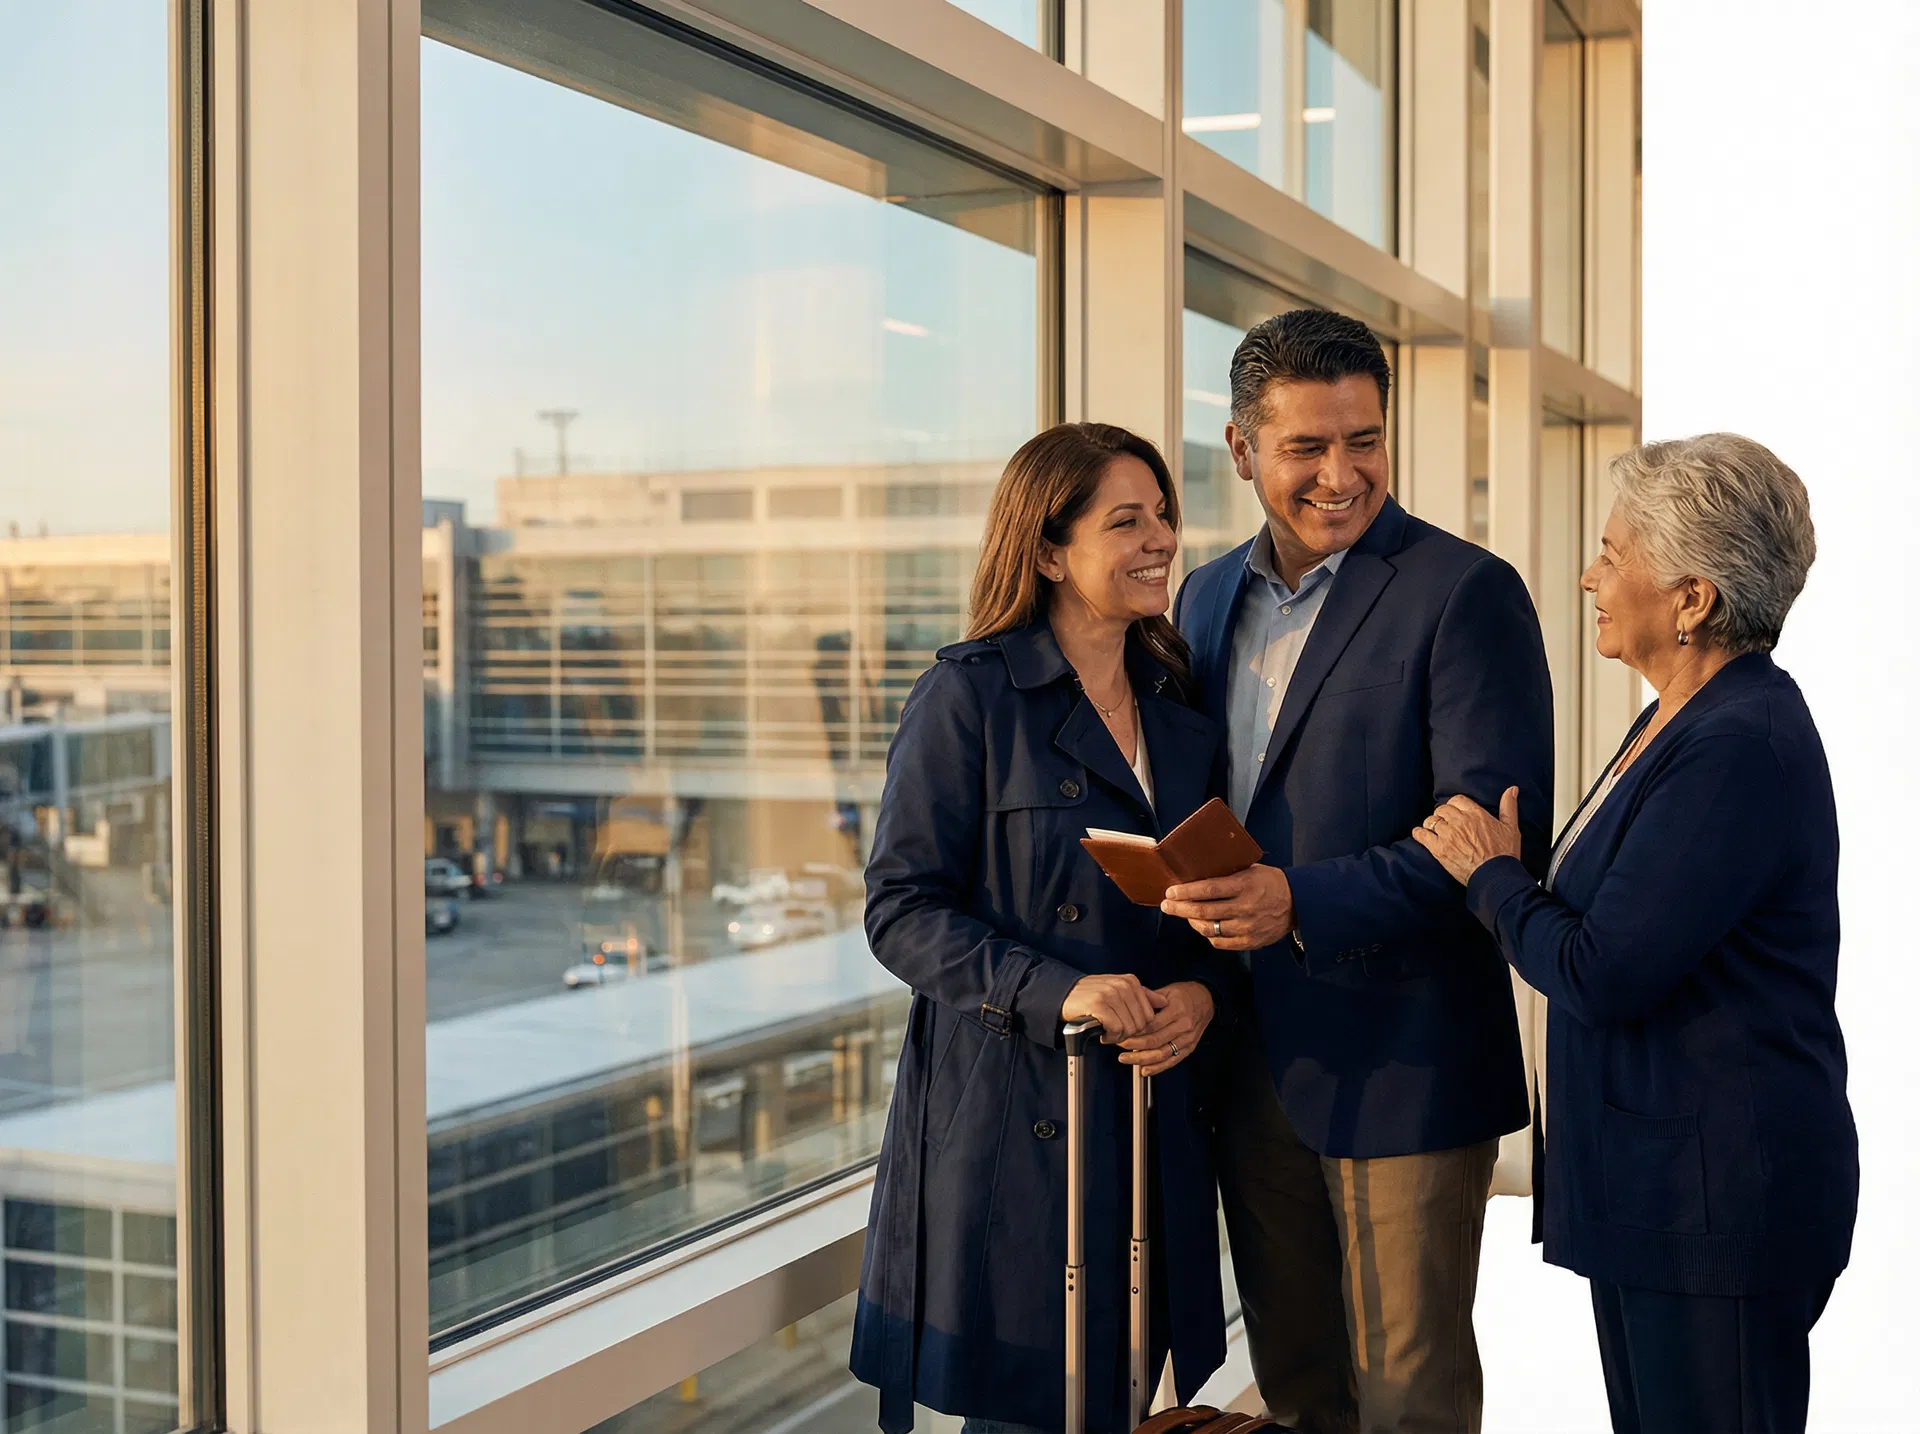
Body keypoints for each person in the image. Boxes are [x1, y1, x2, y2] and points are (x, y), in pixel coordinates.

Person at [1413, 434, 1858, 1434]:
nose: (1590, 578)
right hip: (1660, 1191)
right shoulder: (1680, 718)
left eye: (1614, 555)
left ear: (1693, 598)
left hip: (1715, 1204)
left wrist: (1490, 874)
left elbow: (1600, 968)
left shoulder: (1735, 746)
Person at [1162, 310, 1555, 1433]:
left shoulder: (1465, 591)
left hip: (1405, 1061)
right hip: (1250, 1061)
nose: (1342, 475)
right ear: (1242, 449)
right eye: (1307, 448)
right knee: (1298, 1388)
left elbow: (1487, 838)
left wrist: (1297, 899)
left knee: (1408, 1401)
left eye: (1364, 440)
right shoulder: (1202, 599)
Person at [850, 423, 1236, 1434]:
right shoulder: (968, 696)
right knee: (1031, 1406)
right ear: (1051, 553)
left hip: (1148, 1115)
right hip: (1020, 1119)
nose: (1161, 539)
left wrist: (1201, 994)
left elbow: (1209, 902)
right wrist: (1059, 990)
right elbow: (899, 908)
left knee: (1121, 1398)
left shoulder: (1177, 701)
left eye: (1162, 516)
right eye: (1127, 521)